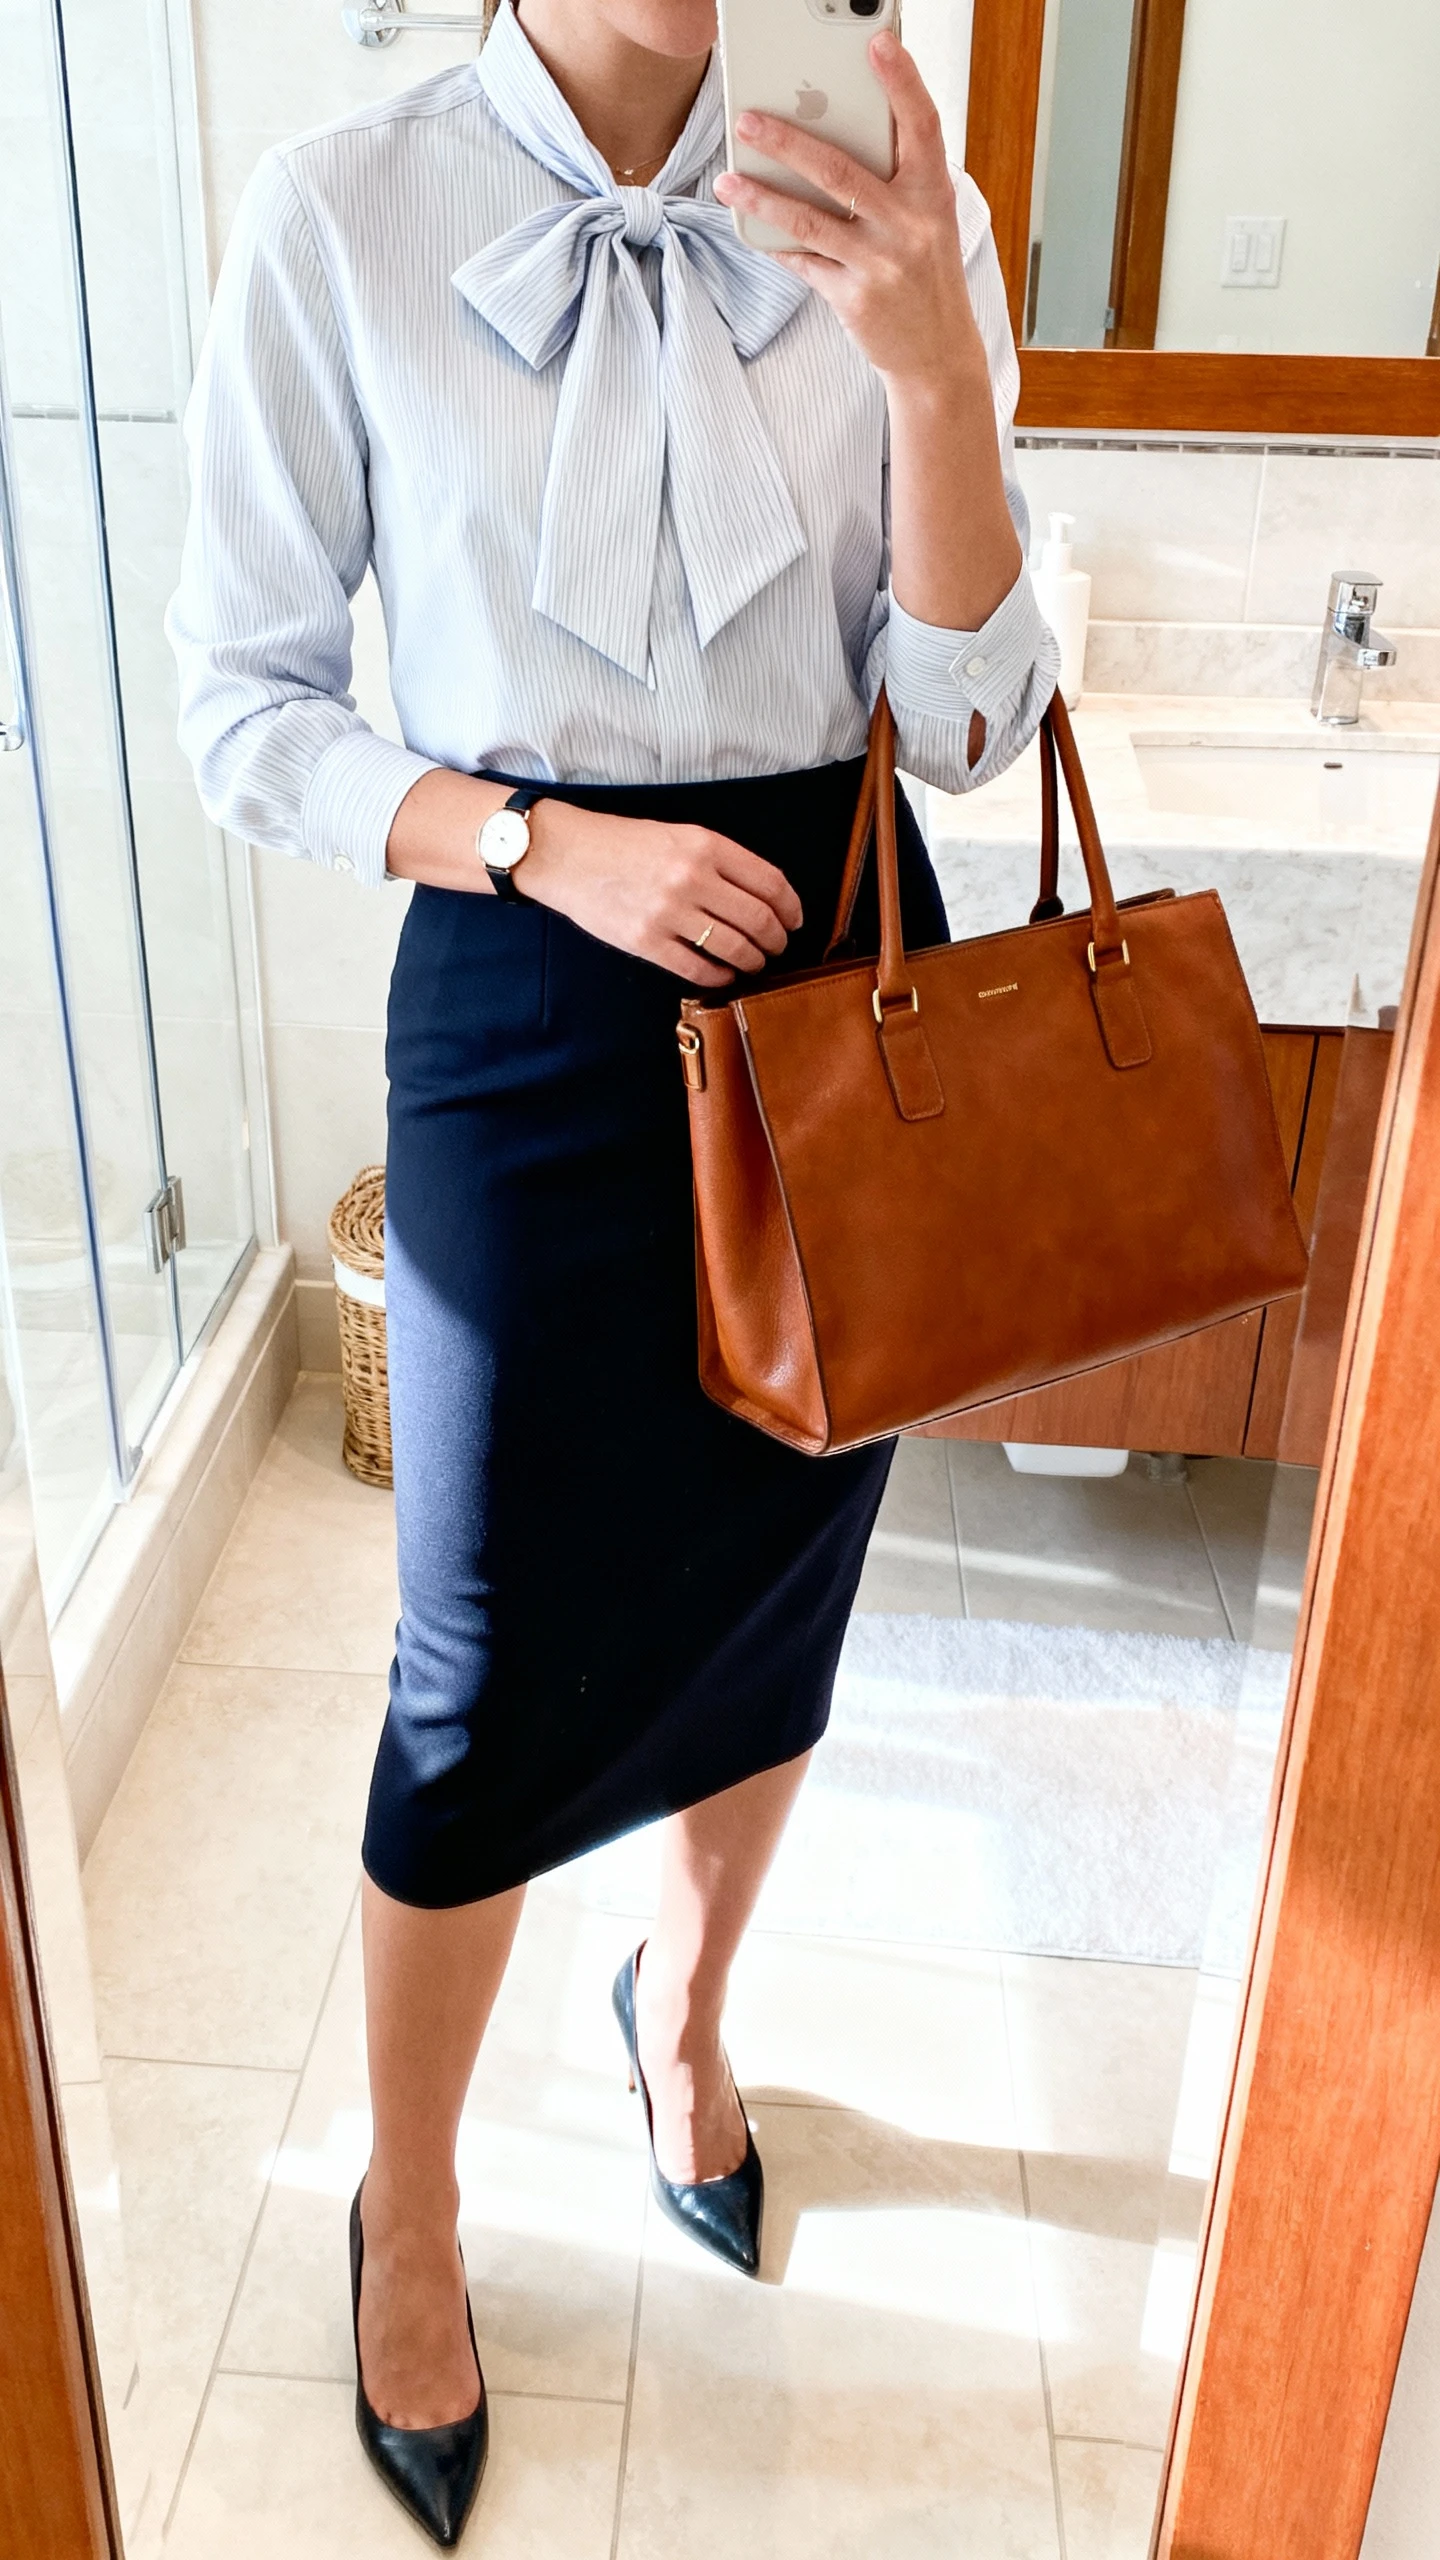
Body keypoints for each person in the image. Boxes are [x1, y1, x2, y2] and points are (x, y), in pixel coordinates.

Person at [168, 0, 1058, 2542]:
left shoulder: (899, 177)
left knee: (776, 1587)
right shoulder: (344, 209)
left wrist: (933, 379)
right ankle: (414, 2206)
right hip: (527, 974)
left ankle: (690, 2018)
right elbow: (241, 707)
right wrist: (545, 844)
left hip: (843, 965)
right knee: (470, 1662)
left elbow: (979, 721)